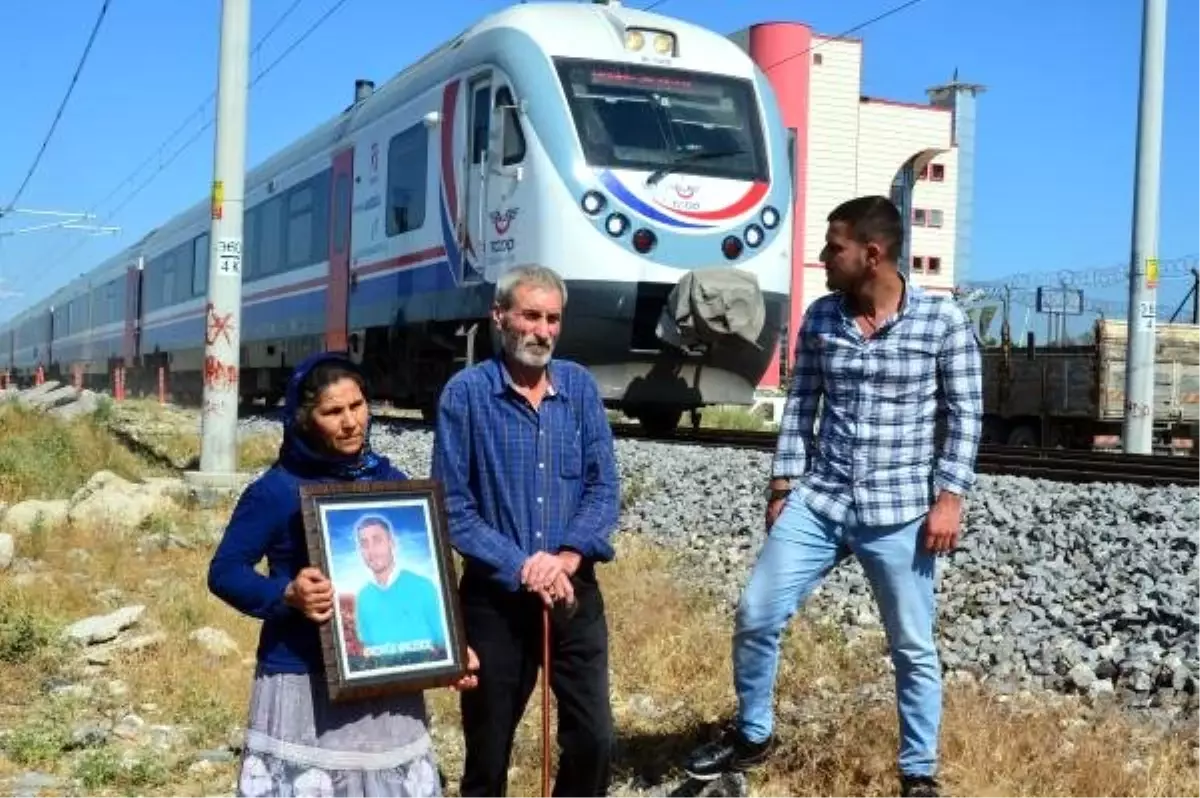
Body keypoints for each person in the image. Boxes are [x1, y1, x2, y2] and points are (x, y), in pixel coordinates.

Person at [682, 196, 983, 798]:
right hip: (821, 501)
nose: (823, 258)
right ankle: (753, 733)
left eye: (834, 247)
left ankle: (918, 772)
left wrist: (951, 496)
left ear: (872, 255)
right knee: (757, 611)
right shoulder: (821, 318)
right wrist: (781, 485)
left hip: (900, 511)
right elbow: (801, 407)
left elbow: (966, 411)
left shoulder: (941, 321)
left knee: (913, 646)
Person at [208, 351, 479, 798]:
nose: (351, 422)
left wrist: (449, 649)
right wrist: (287, 594)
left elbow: (425, 584)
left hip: (387, 680)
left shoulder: (392, 482)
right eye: (332, 412)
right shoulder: (276, 491)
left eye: (357, 406)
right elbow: (225, 571)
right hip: (304, 680)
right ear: (305, 420)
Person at [431, 264, 621, 798]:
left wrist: (564, 558)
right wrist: (522, 565)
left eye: (552, 319)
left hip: (572, 589)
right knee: (488, 753)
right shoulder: (465, 395)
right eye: (530, 315)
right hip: (495, 597)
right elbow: (452, 507)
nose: (542, 330)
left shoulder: (580, 388)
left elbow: (602, 486)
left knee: (594, 741)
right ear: (499, 317)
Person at [352, 513, 447, 659]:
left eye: (377, 541)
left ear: (392, 543)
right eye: (364, 544)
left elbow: (443, 642)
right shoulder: (363, 597)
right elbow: (368, 648)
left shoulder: (423, 587)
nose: (371, 551)